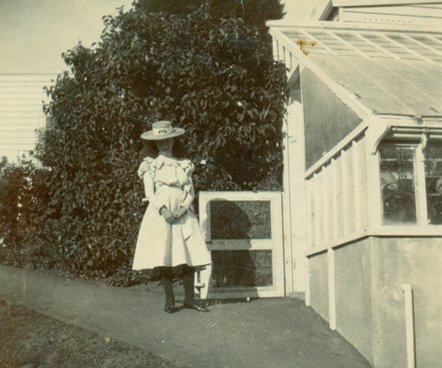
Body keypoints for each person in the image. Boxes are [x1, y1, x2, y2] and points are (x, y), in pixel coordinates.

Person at [132, 120, 211, 313]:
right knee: (164, 254)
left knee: (187, 254)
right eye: (161, 141)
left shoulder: (183, 165)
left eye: (168, 140)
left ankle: (190, 300)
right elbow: (150, 193)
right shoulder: (150, 165)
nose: (165, 144)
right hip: (161, 214)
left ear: (174, 141)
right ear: (155, 144)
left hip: (182, 213)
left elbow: (191, 192)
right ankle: (169, 300)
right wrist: (164, 210)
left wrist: (183, 208)